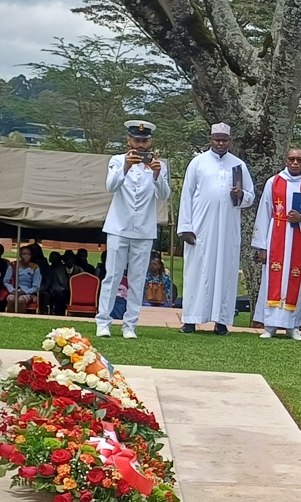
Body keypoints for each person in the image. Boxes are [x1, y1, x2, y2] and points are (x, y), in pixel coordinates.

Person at [96, 119, 171, 339]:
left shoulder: (159, 165)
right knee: (113, 276)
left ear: (150, 142)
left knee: (138, 279)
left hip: (144, 230)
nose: (140, 145)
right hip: (119, 227)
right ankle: (103, 321)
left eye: (144, 141)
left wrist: (157, 175)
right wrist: (126, 167)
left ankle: (130, 325)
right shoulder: (117, 160)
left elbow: (164, 195)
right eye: (136, 140)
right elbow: (111, 186)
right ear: (129, 140)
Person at [177, 123, 255, 336]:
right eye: (217, 139)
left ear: (230, 141)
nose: (221, 143)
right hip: (200, 228)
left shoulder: (238, 165)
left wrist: (240, 195)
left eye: (224, 140)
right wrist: (185, 227)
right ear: (210, 139)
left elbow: (250, 196)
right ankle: (191, 320)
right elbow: (186, 195)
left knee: (226, 271)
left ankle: (221, 322)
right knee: (196, 271)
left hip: (227, 230)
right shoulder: (198, 163)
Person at [251, 147, 301, 340]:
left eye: (299, 160)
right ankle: (270, 325)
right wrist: (261, 246)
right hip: (276, 235)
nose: (295, 163)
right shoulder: (274, 182)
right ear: (286, 160)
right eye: (291, 159)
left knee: (296, 280)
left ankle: (293, 326)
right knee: (273, 280)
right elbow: (263, 213)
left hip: (299, 240)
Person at [3, 245, 41, 313]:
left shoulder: (35, 267)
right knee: (11, 299)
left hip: (29, 293)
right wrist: (12, 290)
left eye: (28, 254)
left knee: (21, 300)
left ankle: (21, 317)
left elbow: (36, 286)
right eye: (24, 254)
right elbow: (6, 281)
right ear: (20, 255)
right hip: (14, 291)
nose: (26, 256)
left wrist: (25, 292)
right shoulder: (13, 265)